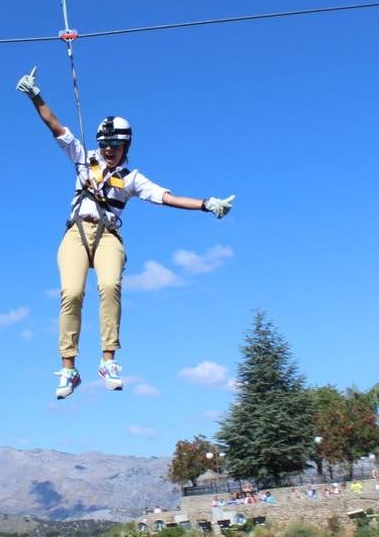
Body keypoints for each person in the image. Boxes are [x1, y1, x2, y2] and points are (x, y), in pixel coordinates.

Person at [17, 68, 234, 399]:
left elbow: (167, 197)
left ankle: (108, 361)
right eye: (104, 144)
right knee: (72, 293)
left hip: (108, 236)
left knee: (110, 286)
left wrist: (206, 204)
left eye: (114, 146)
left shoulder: (132, 179)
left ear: (125, 146)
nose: (108, 150)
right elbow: (55, 126)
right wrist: (35, 96)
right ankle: (68, 368)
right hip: (77, 232)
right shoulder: (83, 158)